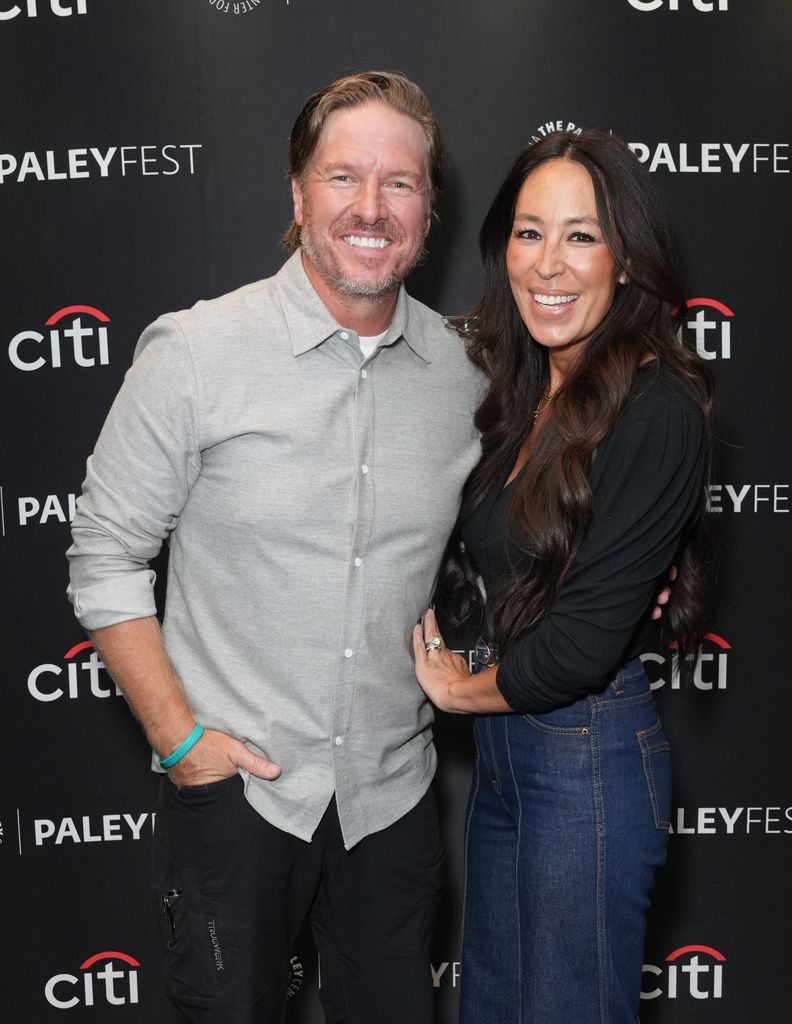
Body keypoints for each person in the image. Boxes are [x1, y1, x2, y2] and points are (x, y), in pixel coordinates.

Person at [66, 71, 485, 1024]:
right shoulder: (198, 352)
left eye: (400, 183)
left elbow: (517, 537)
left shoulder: (466, 375)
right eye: (343, 178)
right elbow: (104, 555)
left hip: (393, 799)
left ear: (429, 208)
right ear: (298, 197)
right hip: (240, 799)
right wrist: (181, 742)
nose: (370, 209)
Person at [413, 129, 713, 1023]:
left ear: (627, 259)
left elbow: (580, 645)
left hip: (582, 761)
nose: (550, 263)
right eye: (529, 232)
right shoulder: (522, 390)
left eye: (582, 235)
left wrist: (458, 694)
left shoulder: (655, 407)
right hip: (514, 764)